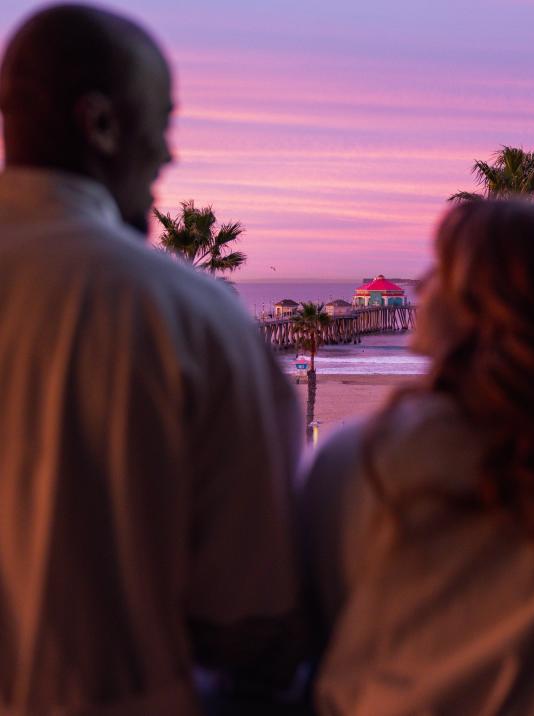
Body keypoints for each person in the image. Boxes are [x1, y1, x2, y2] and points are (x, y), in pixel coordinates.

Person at [0, 5, 304, 714]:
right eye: (161, 123)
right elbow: (251, 623)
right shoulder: (189, 317)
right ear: (100, 124)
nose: (168, 156)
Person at [302, 200, 534, 715]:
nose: (416, 288)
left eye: (437, 271)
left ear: (484, 305)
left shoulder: (369, 458)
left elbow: (317, 616)